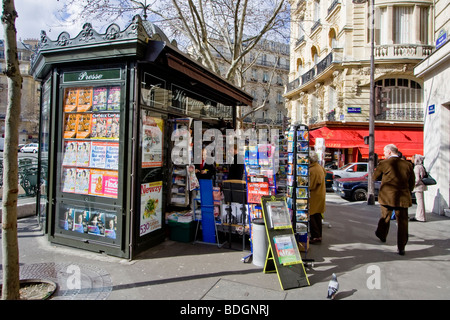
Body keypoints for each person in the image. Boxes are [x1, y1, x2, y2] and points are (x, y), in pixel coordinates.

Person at [373, 144, 415, 255]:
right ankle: (401, 247)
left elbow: (374, 177)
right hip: (403, 197)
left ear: (390, 152)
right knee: (402, 222)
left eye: (385, 152)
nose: (384, 154)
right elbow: (412, 182)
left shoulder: (384, 163)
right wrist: (408, 191)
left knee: (385, 217)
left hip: (387, 196)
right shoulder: (408, 164)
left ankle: (382, 234)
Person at [308, 150, 327, 244]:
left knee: (312, 216)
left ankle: (315, 236)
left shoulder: (313, 170)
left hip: (314, 196)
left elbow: (311, 185)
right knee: (317, 216)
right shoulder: (318, 167)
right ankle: (318, 235)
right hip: (319, 195)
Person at [410, 154, 427, 222]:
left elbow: (417, 179)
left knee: (419, 202)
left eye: (413, 158)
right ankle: (420, 216)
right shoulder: (421, 166)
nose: (412, 160)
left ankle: (420, 217)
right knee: (420, 201)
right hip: (421, 186)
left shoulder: (417, 167)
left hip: (418, 187)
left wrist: (413, 185)